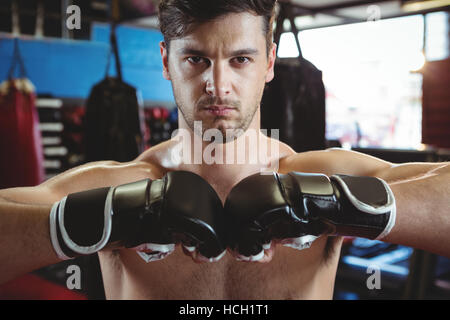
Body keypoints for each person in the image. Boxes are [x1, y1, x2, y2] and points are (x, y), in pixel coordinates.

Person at [0, 0, 449, 300]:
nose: (218, 85)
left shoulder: (323, 175)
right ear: (165, 61)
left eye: (241, 59)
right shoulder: (118, 187)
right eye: (196, 59)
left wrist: (334, 204)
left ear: (269, 62)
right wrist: (96, 219)